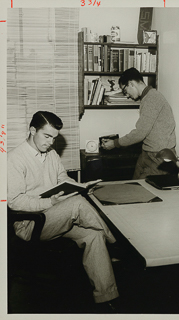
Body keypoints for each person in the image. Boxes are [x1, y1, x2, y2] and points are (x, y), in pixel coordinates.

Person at [7, 111, 119, 311]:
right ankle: (117, 245)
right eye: (47, 136)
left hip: (57, 217)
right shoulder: (14, 159)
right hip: (30, 224)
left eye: (54, 138)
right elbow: (14, 202)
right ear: (32, 130)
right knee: (76, 203)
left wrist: (81, 186)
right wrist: (50, 202)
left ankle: (106, 297)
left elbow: (62, 179)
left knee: (93, 235)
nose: (51, 142)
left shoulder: (51, 154)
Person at [102, 67, 178, 179]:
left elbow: (140, 133)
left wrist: (115, 143)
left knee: (142, 192)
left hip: (159, 155)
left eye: (124, 90)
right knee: (134, 185)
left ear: (131, 84)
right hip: (148, 153)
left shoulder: (152, 98)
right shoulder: (148, 97)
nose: (127, 95)